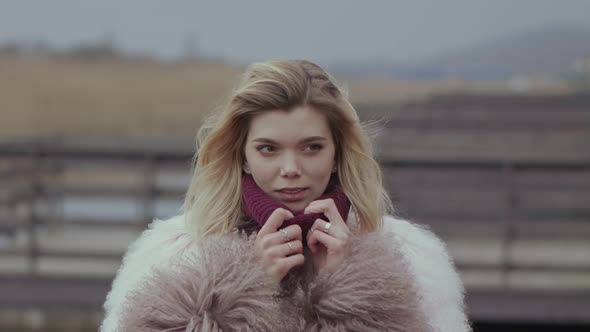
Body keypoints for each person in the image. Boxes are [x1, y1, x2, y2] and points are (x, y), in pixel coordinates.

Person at [100, 60, 471, 331]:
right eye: (268, 149)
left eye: (311, 147)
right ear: (242, 156)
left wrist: (350, 285)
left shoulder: (407, 255)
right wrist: (242, 287)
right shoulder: (178, 251)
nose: (290, 168)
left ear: (337, 153)